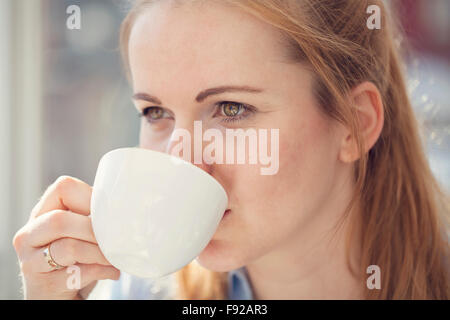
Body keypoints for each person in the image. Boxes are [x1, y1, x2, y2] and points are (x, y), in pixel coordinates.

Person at [13, 0, 449, 300]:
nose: (183, 161)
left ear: (355, 124)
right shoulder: (140, 289)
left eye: (232, 109)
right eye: (155, 111)